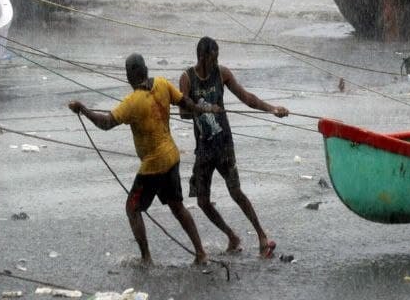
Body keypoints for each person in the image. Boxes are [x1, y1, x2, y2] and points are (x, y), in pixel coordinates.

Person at [67, 53, 217, 265]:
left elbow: (106, 123)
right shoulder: (163, 84)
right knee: (177, 207)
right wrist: (202, 109)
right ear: (145, 69)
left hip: (153, 166)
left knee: (132, 209)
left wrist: (83, 109)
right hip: (172, 157)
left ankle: (146, 258)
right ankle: (201, 252)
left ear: (130, 75)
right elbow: (185, 101)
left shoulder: (132, 102)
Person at [179, 36, 289, 259]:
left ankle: (261, 236)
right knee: (202, 201)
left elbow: (247, 98)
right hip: (203, 148)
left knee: (236, 192)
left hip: (224, 145)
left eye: (218, 57)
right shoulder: (187, 78)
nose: (216, 62)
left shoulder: (222, 73)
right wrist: (206, 108)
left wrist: (272, 109)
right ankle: (232, 236)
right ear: (202, 57)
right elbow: (182, 112)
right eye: (213, 57)